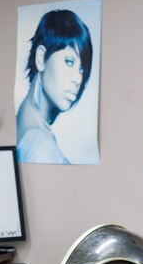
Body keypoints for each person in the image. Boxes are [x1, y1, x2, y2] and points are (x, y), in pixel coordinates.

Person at [16, 9, 93, 164]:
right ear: (41, 58)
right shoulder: (40, 146)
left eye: (81, 69)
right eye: (69, 62)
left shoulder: (25, 120)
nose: (78, 79)